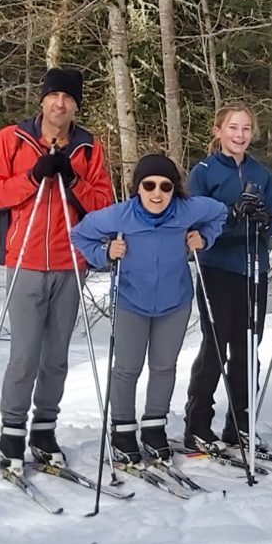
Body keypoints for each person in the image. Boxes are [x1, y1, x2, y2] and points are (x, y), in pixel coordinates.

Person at [0, 67, 115, 472]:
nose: (60, 104)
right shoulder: (12, 139)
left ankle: (44, 429)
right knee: (24, 354)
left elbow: (103, 206)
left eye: (69, 99)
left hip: (71, 262)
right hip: (26, 261)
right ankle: (12, 431)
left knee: (55, 356)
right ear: (42, 99)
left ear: (76, 105)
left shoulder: (88, 148)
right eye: (54, 96)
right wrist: (32, 176)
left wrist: (72, 180)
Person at [71, 153, 227, 464]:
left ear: (175, 189)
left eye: (166, 186)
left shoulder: (188, 210)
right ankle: (123, 430)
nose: (157, 193)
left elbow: (220, 212)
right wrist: (105, 252)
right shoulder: (120, 215)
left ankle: (154, 428)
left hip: (175, 302)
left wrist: (204, 237)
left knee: (164, 367)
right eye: (149, 185)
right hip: (132, 301)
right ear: (138, 187)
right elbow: (80, 234)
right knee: (127, 368)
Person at [182, 104, 272, 453]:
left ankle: (240, 423)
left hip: (253, 269)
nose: (240, 135)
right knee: (215, 346)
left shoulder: (261, 173)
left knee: (248, 348)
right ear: (218, 131)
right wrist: (233, 215)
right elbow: (195, 219)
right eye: (233, 128)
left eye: (246, 129)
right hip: (217, 267)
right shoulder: (205, 172)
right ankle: (197, 424)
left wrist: (264, 220)